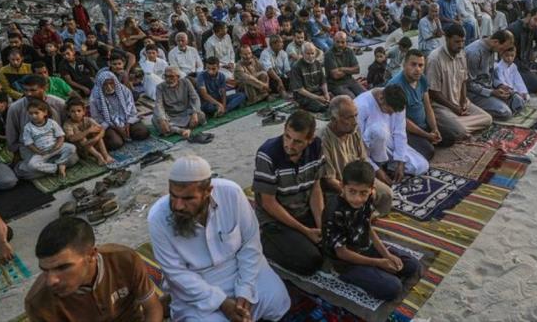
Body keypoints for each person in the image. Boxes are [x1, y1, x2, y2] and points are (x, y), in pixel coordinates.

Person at [149, 156, 289, 321]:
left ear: (208, 191)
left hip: (238, 268)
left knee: (278, 301)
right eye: (173, 196)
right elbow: (176, 273)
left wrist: (245, 289)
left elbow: (250, 242)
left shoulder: (232, 194)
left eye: (188, 198)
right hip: (196, 283)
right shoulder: (158, 218)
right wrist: (222, 302)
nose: (178, 205)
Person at [25, 216, 162, 322]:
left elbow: (152, 308)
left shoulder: (125, 260)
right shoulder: (38, 303)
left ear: (91, 255)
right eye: (45, 270)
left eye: (62, 267)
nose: (51, 281)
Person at [322, 161, 421, 301]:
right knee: (393, 288)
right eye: (352, 191)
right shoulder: (334, 211)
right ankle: (355, 276)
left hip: (364, 246)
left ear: (371, 189)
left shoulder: (368, 199)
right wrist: (378, 262)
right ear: (342, 187)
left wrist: (387, 255)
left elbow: (367, 226)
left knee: (412, 266)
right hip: (346, 262)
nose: (357, 198)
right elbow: (342, 253)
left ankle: (377, 271)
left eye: (363, 193)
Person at [253, 111, 325, 276]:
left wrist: (321, 224)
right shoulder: (268, 154)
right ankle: (266, 241)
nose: (290, 145)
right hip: (277, 219)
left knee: (337, 239)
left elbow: (315, 188)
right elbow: (268, 203)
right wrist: (306, 231)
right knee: (310, 262)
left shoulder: (316, 147)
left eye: (298, 141)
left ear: (310, 140)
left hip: (303, 208)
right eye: (287, 137)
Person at [319, 96, 392, 216]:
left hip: (359, 179)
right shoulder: (324, 139)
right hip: (340, 186)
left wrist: (369, 186)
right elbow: (329, 180)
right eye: (349, 117)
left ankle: (369, 217)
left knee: (386, 194)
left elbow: (363, 162)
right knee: (350, 207)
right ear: (334, 119)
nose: (355, 121)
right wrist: (356, 193)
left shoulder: (353, 129)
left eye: (356, 115)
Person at [425, 24, 492, 142]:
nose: (460, 45)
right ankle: (457, 128)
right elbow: (433, 92)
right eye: (457, 42)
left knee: (488, 119)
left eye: (462, 41)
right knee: (459, 130)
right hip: (441, 107)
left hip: (457, 104)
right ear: (447, 39)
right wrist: (453, 107)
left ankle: (458, 127)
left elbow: (463, 81)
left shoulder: (461, 54)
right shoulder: (435, 59)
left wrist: (463, 100)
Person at [355, 85, 429, 184]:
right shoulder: (361, 106)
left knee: (421, 166)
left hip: (387, 143)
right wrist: (377, 170)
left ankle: (388, 166)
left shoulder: (397, 103)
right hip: (366, 150)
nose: (390, 115)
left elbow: (399, 133)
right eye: (389, 112)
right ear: (381, 99)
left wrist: (400, 162)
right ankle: (376, 166)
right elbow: (357, 144)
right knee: (378, 130)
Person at [387, 48, 449, 159]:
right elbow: (402, 120)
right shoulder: (396, 86)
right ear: (404, 65)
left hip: (423, 124)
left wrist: (434, 129)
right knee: (429, 152)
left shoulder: (422, 79)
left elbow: (427, 106)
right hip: (406, 130)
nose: (417, 69)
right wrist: (427, 135)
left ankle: (428, 139)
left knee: (451, 137)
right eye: (413, 64)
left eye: (421, 65)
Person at [89, 71, 150, 151]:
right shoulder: (94, 97)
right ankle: (118, 136)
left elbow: (132, 110)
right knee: (116, 143)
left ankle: (125, 134)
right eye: (105, 84)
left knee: (143, 132)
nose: (109, 87)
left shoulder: (124, 91)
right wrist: (116, 128)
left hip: (127, 120)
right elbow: (97, 119)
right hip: (109, 125)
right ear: (101, 85)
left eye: (111, 83)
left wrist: (128, 124)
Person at [464, 31, 517, 120]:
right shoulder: (474, 53)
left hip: (489, 88)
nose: (502, 52)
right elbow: (468, 84)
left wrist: (500, 85)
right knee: (505, 113)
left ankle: (495, 103)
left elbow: (491, 74)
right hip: (474, 93)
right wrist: (491, 92)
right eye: (502, 49)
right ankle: (475, 110)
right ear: (496, 42)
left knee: (517, 100)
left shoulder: (492, 49)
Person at [22, 97, 77, 179]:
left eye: (36, 113)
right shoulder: (28, 127)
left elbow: (61, 136)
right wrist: (39, 152)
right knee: (31, 165)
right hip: (42, 152)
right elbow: (29, 144)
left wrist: (57, 146)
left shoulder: (51, 123)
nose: (33, 116)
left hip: (56, 147)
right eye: (30, 113)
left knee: (72, 148)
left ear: (45, 112)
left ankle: (61, 162)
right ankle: (55, 168)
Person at [154, 67, 206, 140]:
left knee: (201, 115)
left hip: (186, 113)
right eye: (166, 76)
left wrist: (194, 112)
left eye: (171, 76)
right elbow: (158, 104)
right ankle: (181, 130)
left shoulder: (186, 82)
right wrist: (162, 119)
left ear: (178, 77)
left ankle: (176, 129)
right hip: (170, 115)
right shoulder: (160, 87)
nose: (168, 79)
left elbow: (195, 98)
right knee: (157, 120)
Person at [63, 97, 113, 166]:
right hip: (80, 149)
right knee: (81, 137)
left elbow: (102, 129)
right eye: (72, 111)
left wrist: (96, 138)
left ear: (84, 112)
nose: (76, 114)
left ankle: (106, 156)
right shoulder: (67, 124)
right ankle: (99, 156)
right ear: (68, 113)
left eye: (79, 111)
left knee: (97, 133)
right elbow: (71, 138)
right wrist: (88, 131)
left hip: (91, 145)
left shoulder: (88, 120)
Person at [289, 42, 330, 113]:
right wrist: (318, 98)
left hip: (317, 92)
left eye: (312, 53)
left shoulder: (317, 63)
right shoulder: (296, 67)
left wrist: (326, 94)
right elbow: (300, 90)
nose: (311, 56)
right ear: (302, 53)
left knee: (335, 100)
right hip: (304, 96)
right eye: (308, 54)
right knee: (322, 107)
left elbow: (323, 82)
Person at [324, 32, 364, 98]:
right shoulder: (329, 54)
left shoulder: (349, 51)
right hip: (335, 84)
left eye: (343, 42)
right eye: (338, 42)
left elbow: (357, 70)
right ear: (333, 41)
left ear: (346, 42)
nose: (340, 44)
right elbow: (336, 75)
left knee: (364, 95)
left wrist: (342, 69)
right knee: (352, 98)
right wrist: (350, 70)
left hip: (349, 80)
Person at [493, 45, 529, 113]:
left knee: (526, 96)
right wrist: (515, 92)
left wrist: (522, 92)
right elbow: (503, 84)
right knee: (516, 99)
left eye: (512, 56)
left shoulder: (513, 66)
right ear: (501, 55)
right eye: (507, 56)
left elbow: (518, 81)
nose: (509, 58)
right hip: (507, 91)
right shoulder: (498, 68)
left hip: (514, 89)